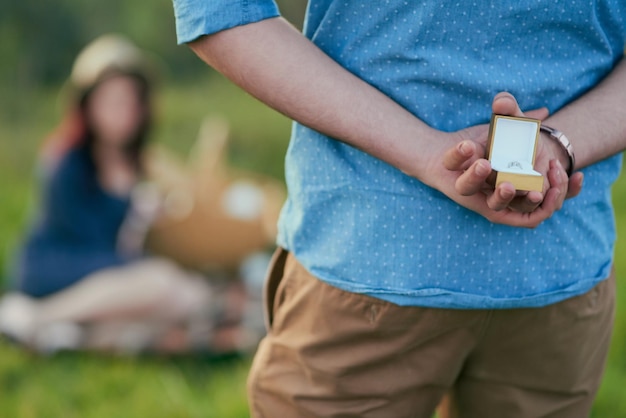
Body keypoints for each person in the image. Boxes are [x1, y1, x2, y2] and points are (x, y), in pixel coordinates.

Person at [171, 2, 626, 417]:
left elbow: (219, 13)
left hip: (371, 257)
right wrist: (559, 148)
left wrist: (432, 154)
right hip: (556, 262)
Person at [0, 34, 250, 355]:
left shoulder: (144, 163)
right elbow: (86, 242)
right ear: (88, 106)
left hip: (115, 274)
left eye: (131, 101)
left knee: (185, 295)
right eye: (113, 100)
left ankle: (70, 332)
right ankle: (35, 317)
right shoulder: (65, 164)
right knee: (161, 283)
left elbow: (189, 196)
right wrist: (137, 253)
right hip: (60, 270)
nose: (125, 112)